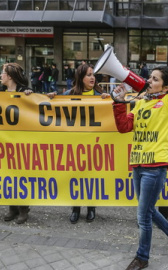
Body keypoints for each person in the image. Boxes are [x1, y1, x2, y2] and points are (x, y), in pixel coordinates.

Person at [111, 39, 168, 270]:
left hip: (155, 166)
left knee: (142, 216)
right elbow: (123, 127)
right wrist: (118, 103)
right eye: (149, 77)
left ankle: (142, 257)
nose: (148, 81)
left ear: (165, 87)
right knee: (149, 211)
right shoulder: (141, 104)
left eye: (154, 79)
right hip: (138, 165)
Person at [56, 63, 109, 223]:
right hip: (75, 144)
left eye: (93, 74)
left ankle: (91, 207)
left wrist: (110, 99)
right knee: (76, 176)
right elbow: (55, 107)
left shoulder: (100, 95)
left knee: (91, 176)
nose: (92, 77)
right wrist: (51, 97)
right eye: (88, 75)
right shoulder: (68, 94)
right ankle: (76, 208)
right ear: (80, 78)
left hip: (94, 144)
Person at [0, 63, 33, 224]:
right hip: (4, 141)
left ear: (10, 76)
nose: (0, 76)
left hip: (21, 141)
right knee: (7, 175)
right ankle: (12, 208)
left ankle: (23, 209)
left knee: (20, 176)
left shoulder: (24, 92)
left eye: (3, 73)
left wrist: (31, 95)